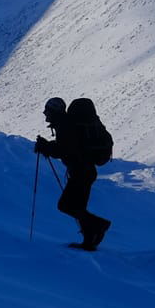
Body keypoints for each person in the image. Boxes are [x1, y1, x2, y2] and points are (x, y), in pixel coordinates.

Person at [33, 97, 112, 251]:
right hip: (85, 171)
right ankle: (89, 242)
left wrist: (46, 147)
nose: (45, 114)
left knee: (65, 205)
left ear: (54, 111)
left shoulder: (65, 125)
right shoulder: (68, 124)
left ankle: (99, 226)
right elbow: (69, 146)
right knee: (77, 207)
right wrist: (48, 146)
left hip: (81, 172)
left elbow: (65, 149)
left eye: (47, 110)